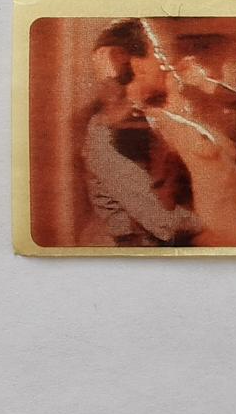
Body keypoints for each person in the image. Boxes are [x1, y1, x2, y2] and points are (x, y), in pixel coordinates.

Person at [80, 20, 202, 246]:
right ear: (138, 66)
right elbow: (164, 223)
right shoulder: (105, 133)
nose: (165, 62)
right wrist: (224, 226)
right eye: (158, 52)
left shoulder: (149, 119)